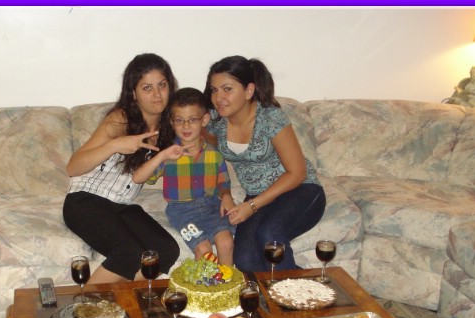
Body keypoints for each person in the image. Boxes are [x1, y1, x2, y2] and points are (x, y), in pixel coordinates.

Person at [63, 53, 180, 284]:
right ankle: (84, 302)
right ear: (133, 93)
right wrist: (115, 145)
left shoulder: (169, 125)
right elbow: (72, 167)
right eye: (147, 88)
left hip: (121, 204)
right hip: (85, 200)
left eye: (162, 85)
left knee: (166, 250)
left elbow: (202, 124)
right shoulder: (121, 119)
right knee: (129, 253)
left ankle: (125, 299)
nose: (157, 94)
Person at [203, 55, 326, 272]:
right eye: (214, 90)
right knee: (245, 260)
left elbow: (297, 173)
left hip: (300, 190)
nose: (218, 97)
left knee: (269, 235)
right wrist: (226, 194)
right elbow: (210, 160)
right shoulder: (215, 121)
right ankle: (308, 284)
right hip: (258, 197)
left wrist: (251, 206)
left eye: (227, 89)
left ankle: (295, 293)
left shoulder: (270, 118)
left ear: (248, 90)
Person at [132, 87, 235, 265]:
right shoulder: (168, 154)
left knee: (226, 243)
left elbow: (223, 182)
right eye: (179, 120)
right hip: (182, 211)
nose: (186, 126)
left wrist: (226, 196)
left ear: (204, 120)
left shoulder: (214, 154)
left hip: (211, 205)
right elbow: (141, 178)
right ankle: (205, 283)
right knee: (203, 249)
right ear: (171, 122)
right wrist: (161, 156)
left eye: (192, 120)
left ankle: (228, 281)